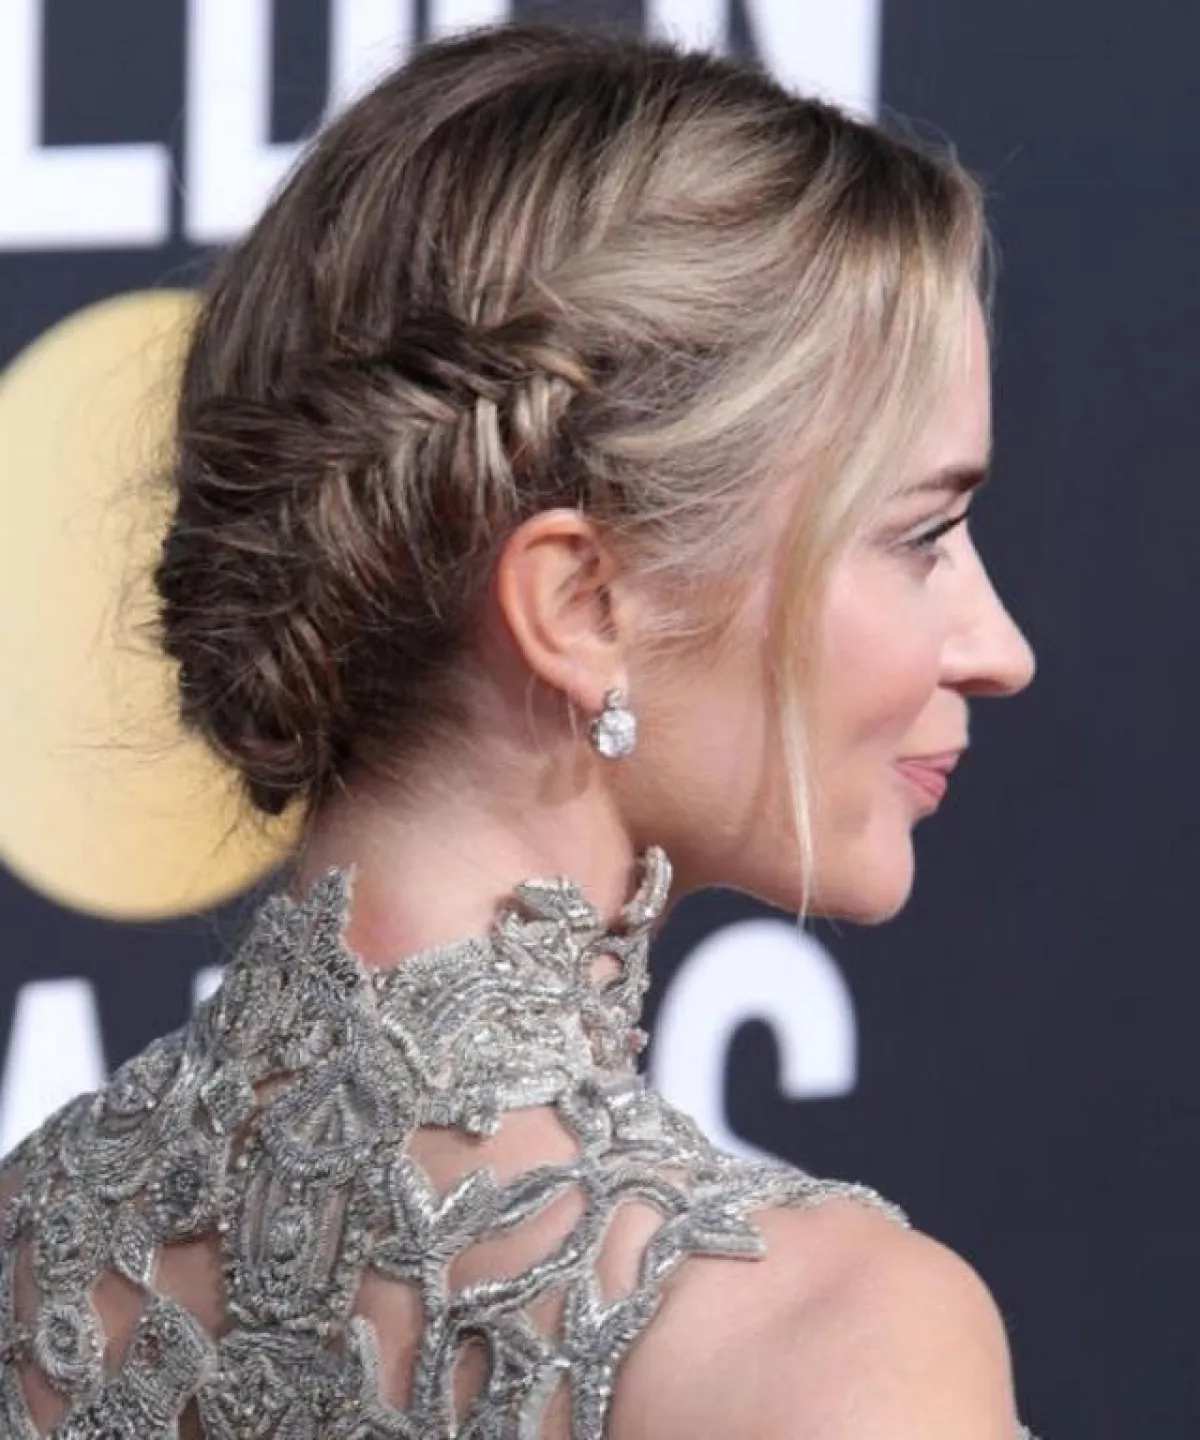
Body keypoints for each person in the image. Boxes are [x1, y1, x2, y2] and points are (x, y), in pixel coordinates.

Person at [0, 22, 1040, 1439]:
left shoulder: (30, 1249)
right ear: (582, 604)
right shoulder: (833, 1347)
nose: (999, 650)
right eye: (921, 536)